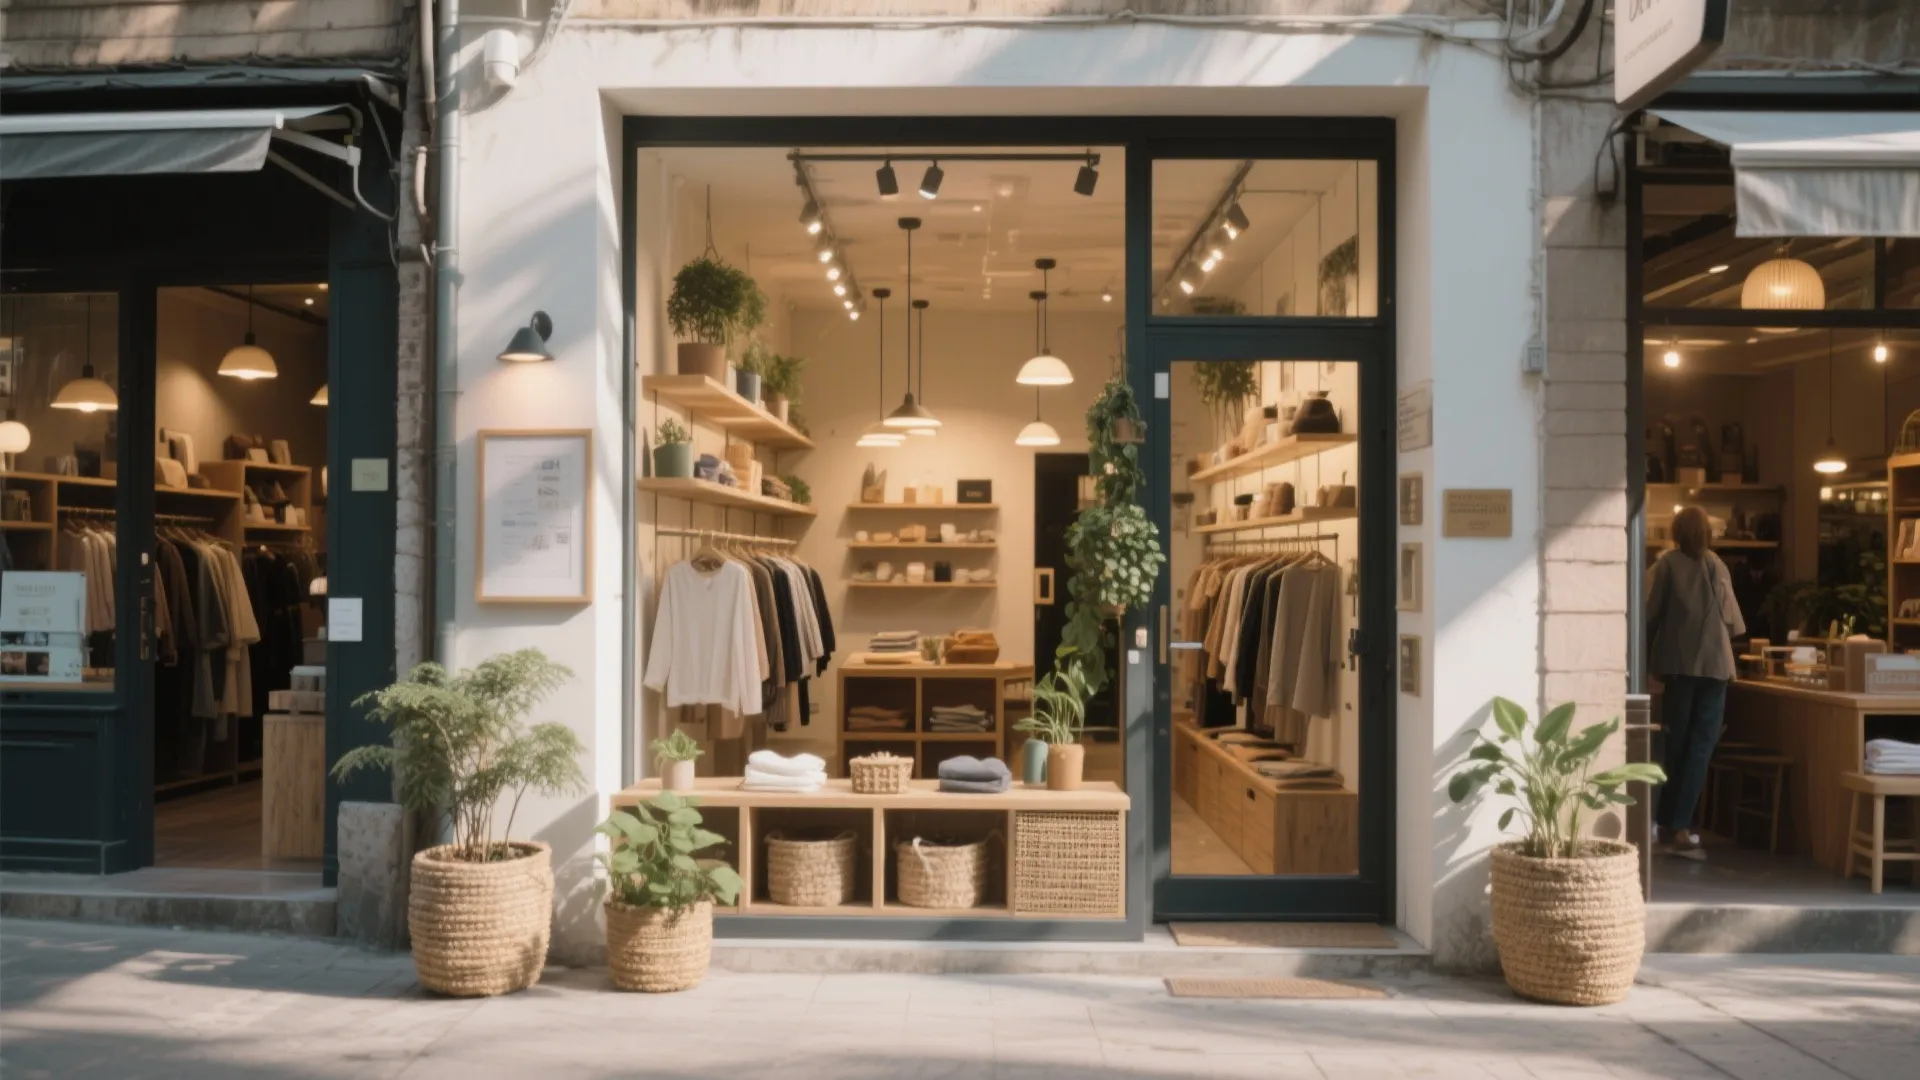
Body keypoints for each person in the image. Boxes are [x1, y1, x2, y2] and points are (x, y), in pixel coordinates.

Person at [1645, 506, 1746, 861]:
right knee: (1700, 749)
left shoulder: (1666, 565)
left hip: (1679, 667)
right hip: (1716, 667)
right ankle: (1680, 826)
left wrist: (1646, 663)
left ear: (1675, 532)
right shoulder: (1717, 565)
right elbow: (1734, 621)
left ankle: (1666, 824)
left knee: (1674, 746)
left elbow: (1648, 616)